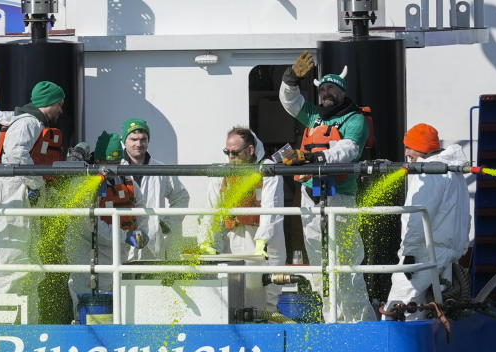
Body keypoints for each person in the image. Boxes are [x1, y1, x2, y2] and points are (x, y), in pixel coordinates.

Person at [279, 51, 376, 322]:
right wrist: (290, 78)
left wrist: (312, 158)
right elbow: (289, 100)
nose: (326, 93)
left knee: (347, 267)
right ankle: (330, 322)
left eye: (332, 88)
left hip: (340, 200)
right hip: (310, 199)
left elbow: (348, 149)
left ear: (342, 92)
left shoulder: (354, 119)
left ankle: (360, 325)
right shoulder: (313, 117)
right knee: (320, 268)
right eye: (322, 89)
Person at [0, 80, 66, 321]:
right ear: (49, 104)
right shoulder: (27, 123)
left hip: (20, 199)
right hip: (10, 199)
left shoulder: (32, 124)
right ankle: (2, 327)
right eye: (59, 104)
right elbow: (16, 157)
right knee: (12, 267)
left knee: (29, 269)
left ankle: (28, 324)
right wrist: (37, 184)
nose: (60, 110)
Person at [382, 123, 470, 319]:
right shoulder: (453, 172)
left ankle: (396, 346)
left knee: (398, 308)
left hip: (424, 254)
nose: (406, 153)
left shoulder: (430, 174)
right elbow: (465, 216)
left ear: (421, 148)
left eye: (409, 147)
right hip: (447, 255)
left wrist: (410, 253)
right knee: (434, 311)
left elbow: (417, 216)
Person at [199, 126, 286, 312]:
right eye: (227, 152)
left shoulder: (268, 170)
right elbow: (211, 208)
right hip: (235, 239)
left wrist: (262, 240)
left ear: (250, 150)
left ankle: (267, 329)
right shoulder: (222, 173)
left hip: (266, 242)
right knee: (238, 298)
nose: (230, 157)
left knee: (267, 301)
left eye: (235, 153)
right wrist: (205, 239)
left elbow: (271, 208)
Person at [66, 131, 146, 316]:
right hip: (86, 252)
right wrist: (126, 236)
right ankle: (83, 329)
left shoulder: (125, 177)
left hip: (118, 251)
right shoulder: (83, 183)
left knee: (119, 301)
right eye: (109, 164)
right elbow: (89, 225)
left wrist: (139, 230)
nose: (113, 168)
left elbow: (139, 205)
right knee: (86, 297)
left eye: (117, 163)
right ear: (99, 159)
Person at [118, 118, 191, 260]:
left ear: (148, 141)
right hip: (122, 248)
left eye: (143, 139)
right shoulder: (116, 170)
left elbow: (182, 197)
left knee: (151, 282)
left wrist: (167, 224)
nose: (138, 144)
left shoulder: (160, 169)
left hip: (153, 247)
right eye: (133, 139)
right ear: (124, 140)